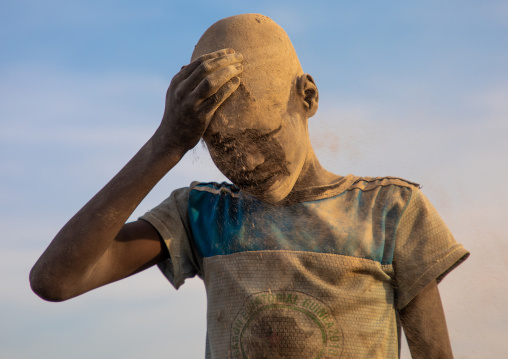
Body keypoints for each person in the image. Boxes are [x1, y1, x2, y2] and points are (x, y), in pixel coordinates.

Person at [30, 14, 469, 358]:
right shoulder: (203, 216)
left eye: (262, 137)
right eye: (222, 146)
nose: (247, 162)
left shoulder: (390, 211)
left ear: (308, 97)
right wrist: (165, 145)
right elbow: (56, 280)